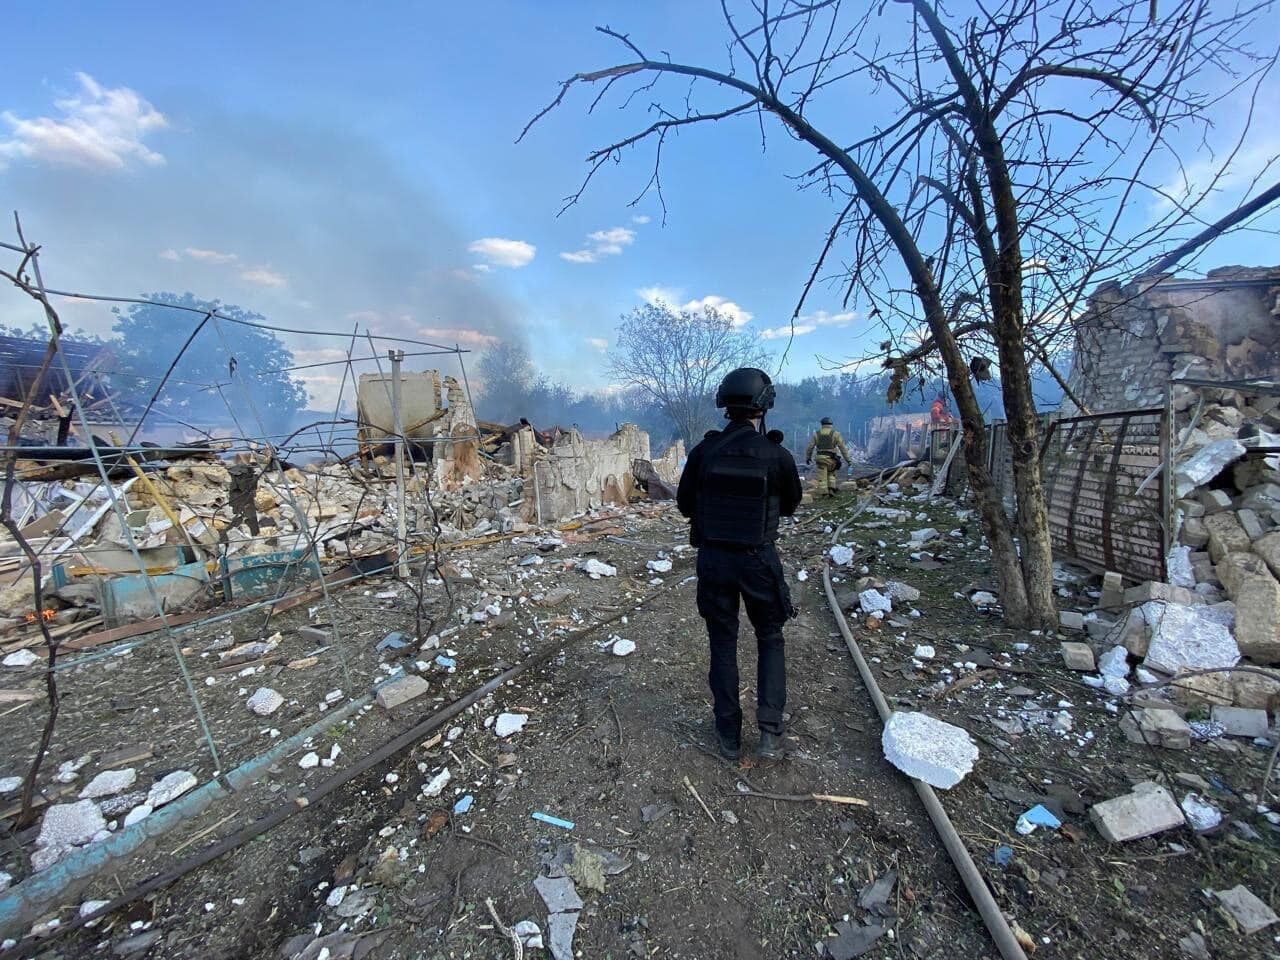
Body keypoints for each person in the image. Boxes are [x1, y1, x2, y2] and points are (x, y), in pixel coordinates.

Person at [677, 368, 802, 761]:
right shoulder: (777, 455)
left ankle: (728, 735)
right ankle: (770, 734)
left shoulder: (703, 452)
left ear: (724, 405)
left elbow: (684, 506)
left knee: (723, 641)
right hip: (757, 560)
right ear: (764, 405)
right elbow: (790, 505)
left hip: (714, 560)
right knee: (770, 638)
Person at [804, 417, 851, 498]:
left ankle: (824, 493)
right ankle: (831, 489)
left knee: (822, 476)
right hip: (832, 459)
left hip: (820, 458)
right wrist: (848, 460)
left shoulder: (816, 434)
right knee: (832, 473)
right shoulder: (836, 434)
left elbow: (810, 447)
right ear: (831, 424)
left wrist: (808, 457)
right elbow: (843, 448)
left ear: (822, 424)